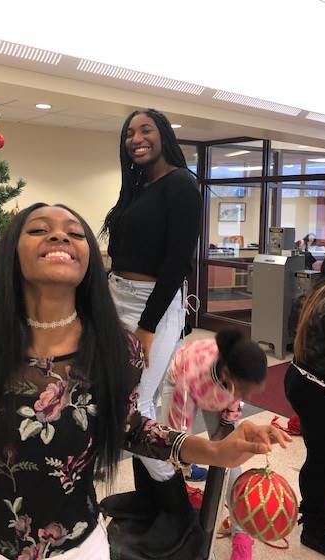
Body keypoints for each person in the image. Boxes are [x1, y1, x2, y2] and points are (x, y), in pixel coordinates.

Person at [0, 204, 289, 560]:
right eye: (39, 229)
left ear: (88, 259)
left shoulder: (118, 349)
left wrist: (213, 450)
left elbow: (132, 429)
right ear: (13, 253)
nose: (60, 237)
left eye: (75, 233)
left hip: (77, 548)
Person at [102, 108, 204, 482]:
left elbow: (177, 264)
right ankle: (150, 496)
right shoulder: (137, 186)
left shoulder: (182, 185)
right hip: (116, 296)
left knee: (134, 406)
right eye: (129, 133)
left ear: (163, 135)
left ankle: (171, 488)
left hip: (154, 305)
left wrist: (146, 326)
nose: (136, 138)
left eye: (146, 129)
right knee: (130, 394)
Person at [165, 330, 267, 560]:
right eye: (244, 391)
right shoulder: (192, 375)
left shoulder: (238, 375)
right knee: (167, 457)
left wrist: (225, 441)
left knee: (231, 461)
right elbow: (177, 435)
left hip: (218, 392)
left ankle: (241, 532)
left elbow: (231, 416)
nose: (248, 396)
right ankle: (177, 520)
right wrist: (185, 462)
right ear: (227, 374)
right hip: (183, 383)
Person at [285, 250, 325, 560]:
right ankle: (314, 529)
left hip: (301, 379)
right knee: (324, 457)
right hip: (318, 389)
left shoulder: (313, 295)